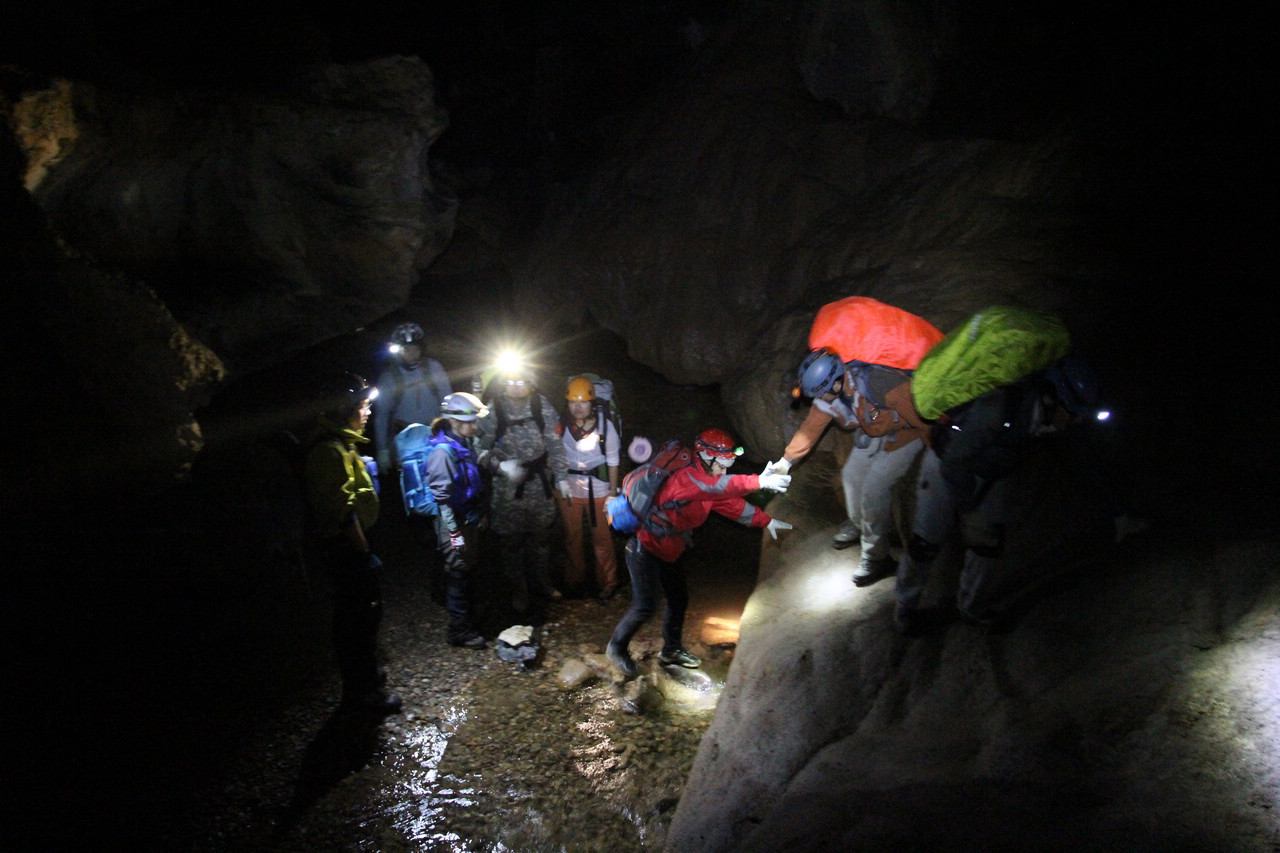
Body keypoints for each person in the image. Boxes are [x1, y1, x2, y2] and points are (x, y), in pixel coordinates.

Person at [892, 354, 1111, 636]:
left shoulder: (1046, 418)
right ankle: (905, 607)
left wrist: (1115, 509)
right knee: (927, 542)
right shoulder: (1000, 408)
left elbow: (1080, 457)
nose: (1074, 420)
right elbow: (956, 462)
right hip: (946, 462)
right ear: (1051, 398)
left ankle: (971, 606)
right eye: (1072, 412)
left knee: (988, 541)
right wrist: (968, 510)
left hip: (992, 469)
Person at [606, 428, 793, 677]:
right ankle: (616, 648)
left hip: (670, 550)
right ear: (706, 456)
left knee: (678, 600)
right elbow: (720, 487)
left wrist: (765, 521)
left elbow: (729, 503)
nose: (725, 469)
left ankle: (671, 650)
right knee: (645, 606)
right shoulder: (688, 479)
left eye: (730, 463)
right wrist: (758, 481)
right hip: (645, 547)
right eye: (723, 463)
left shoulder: (705, 484)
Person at [765, 349, 927, 587]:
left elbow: (922, 419)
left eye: (822, 393)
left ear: (837, 382)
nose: (819, 399)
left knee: (875, 488)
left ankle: (877, 557)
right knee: (851, 476)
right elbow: (810, 430)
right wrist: (785, 462)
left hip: (907, 433)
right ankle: (859, 522)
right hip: (875, 429)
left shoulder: (879, 381)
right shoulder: (832, 394)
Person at [302, 371, 401, 715]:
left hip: (352, 547)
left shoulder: (342, 445)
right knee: (356, 623)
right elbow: (343, 514)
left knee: (365, 619)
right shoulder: (328, 452)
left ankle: (367, 677)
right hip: (346, 551)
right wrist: (363, 555)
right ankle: (363, 696)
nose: (368, 412)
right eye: (362, 405)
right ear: (345, 409)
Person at [475, 363, 570, 617]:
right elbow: (479, 447)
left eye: (521, 382)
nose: (516, 387)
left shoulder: (541, 405)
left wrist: (561, 476)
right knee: (511, 543)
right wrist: (499, 466)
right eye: (511, 382)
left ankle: (543, 583)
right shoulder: (493, 408)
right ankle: (518, 590)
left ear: (530, 383)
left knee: (541, 539)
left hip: (538, 486)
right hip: (507, 488)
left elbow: (554, 442)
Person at [419, 392, 491, 649]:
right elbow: (443, 500)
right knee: (458, 574)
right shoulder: (442, 452)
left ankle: (469, 621)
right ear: (453, 421)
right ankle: (459, 630)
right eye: (470, 422)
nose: (475, 426)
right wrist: (453, 533)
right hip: (453, 521)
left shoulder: (462, 443)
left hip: (467, 517)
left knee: (469, 570)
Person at [556, 375, 622, 600]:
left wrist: (613, 493)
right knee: (571, 537)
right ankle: (574, 582)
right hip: (568, 491)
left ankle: (608, 583)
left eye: (583, 402)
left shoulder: (606, 427)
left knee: (601, 538)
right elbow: (553, 454)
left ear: (592, 403)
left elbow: (613, 461)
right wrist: (558, 480)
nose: (578, 407)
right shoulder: (561, 424)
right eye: (573, 402)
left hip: (599, 490)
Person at [373, 322, 452, 476]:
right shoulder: (389, 377)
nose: (412, 354)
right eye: (406, 350)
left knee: (439, 483)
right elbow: (381, 416)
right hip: (404, 440)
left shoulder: (434, 368)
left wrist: (451, 435)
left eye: (415, 349)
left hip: (433, 435)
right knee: (412, 486)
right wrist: (382, 449)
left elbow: (448, 404)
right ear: (398, 351)